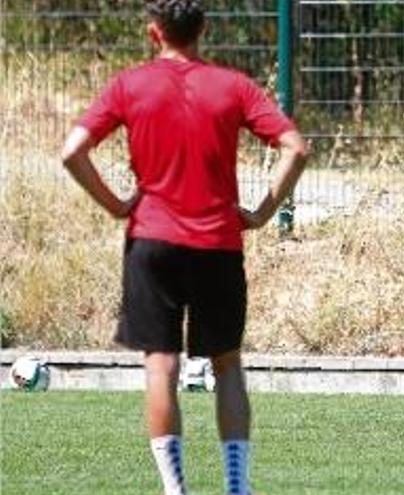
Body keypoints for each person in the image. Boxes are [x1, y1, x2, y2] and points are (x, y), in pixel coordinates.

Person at [60, 1, 309, 493]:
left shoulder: (130, 85)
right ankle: (237, 487)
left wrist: (115, 205)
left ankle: (176, 489)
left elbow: (72, 151)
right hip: (218, 242)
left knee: (161, 362)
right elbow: (296, 147)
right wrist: (260, 212)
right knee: (227, 361)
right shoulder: (233, 85)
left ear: (155, 33)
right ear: (203, 31)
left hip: (151, 240)